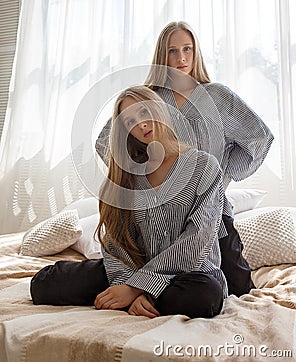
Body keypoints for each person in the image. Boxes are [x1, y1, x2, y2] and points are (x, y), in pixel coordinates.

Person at [95, 22, 274, 297]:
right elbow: (107, 140)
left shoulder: (218, 97)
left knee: (240, 291)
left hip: (210, 212)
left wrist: (220, 175)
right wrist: (143, 179)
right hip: (157, 217)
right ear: (161, 56)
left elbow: (258, 138)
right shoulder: (150, 98)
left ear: (196, 52)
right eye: (173, 51)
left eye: (187, 49)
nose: (181, 58)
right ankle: (141, 290)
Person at [31, 86, 227, 319]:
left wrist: (138, 288)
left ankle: (145, 298)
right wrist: (126, 282)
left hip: (192, 274)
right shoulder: (129, 177)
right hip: (134, 268)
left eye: (144, 113)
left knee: (204, 296)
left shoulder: (204, 166)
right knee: (45, 284)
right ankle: (142, 299)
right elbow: (116, 241)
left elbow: (198, 239)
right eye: (130, 121)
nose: (141, 124)